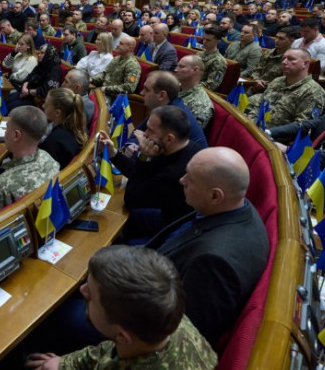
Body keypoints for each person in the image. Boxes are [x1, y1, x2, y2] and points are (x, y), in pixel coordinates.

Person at [146, 147, 270, 348]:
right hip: (153, 265)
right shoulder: (237, 206)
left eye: (191, 179)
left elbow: (181, 335)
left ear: (215, 196)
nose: (182, 180)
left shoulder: (214, 264)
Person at [24, 246, 217, 370]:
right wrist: (64, 365)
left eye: (91, 295)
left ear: (123, 336)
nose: (82, 291)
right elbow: (110, 351)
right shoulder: (168, 318)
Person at [105, 105, 205, 239]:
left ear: (169, 138)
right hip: (168, 214)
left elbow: (131, 199)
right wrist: (114, 155)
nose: (145, 134)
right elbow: (140, 174)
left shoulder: (174, 174)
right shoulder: (182, 147)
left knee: (114, 227)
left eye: (150, 131)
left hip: (171, 230)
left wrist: (144, 157)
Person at [0, 106, 60, 215]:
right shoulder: (49, 160)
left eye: (7, 128)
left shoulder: (0, 187)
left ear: (16, 135)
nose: (5, 133)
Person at [245, 49, 325, 128]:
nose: (284, 62)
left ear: (305, 64)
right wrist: (251, 123)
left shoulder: (313, 91)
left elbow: (301, 126)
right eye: (284, 58)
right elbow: (259, 106)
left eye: (291, 59)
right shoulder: (277, 81)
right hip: (255, 128)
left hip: (273, 137)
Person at [40, 88, 88, 169]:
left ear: (57, 113)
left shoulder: (54, 141)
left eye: (46, 104)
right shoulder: (76, 128)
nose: (43, 106)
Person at [6, 44, 62, 111]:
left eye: (42, 53)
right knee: (7, 100)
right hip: (26, 93)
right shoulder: (41, 64)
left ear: (49, 55)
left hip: (37, 100)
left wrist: (28, 92)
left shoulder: (55, 70)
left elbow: (46, 91)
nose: (38, 55)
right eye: (39, 52)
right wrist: (24, 88)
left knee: (11, 107)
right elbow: (29, 77)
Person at [174, 55, 215, 128]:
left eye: (181, 67)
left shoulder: (200, 105)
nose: (176, 70)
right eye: (177, 66)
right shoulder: (176, 89)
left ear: (195, 70)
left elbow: (188, 135)